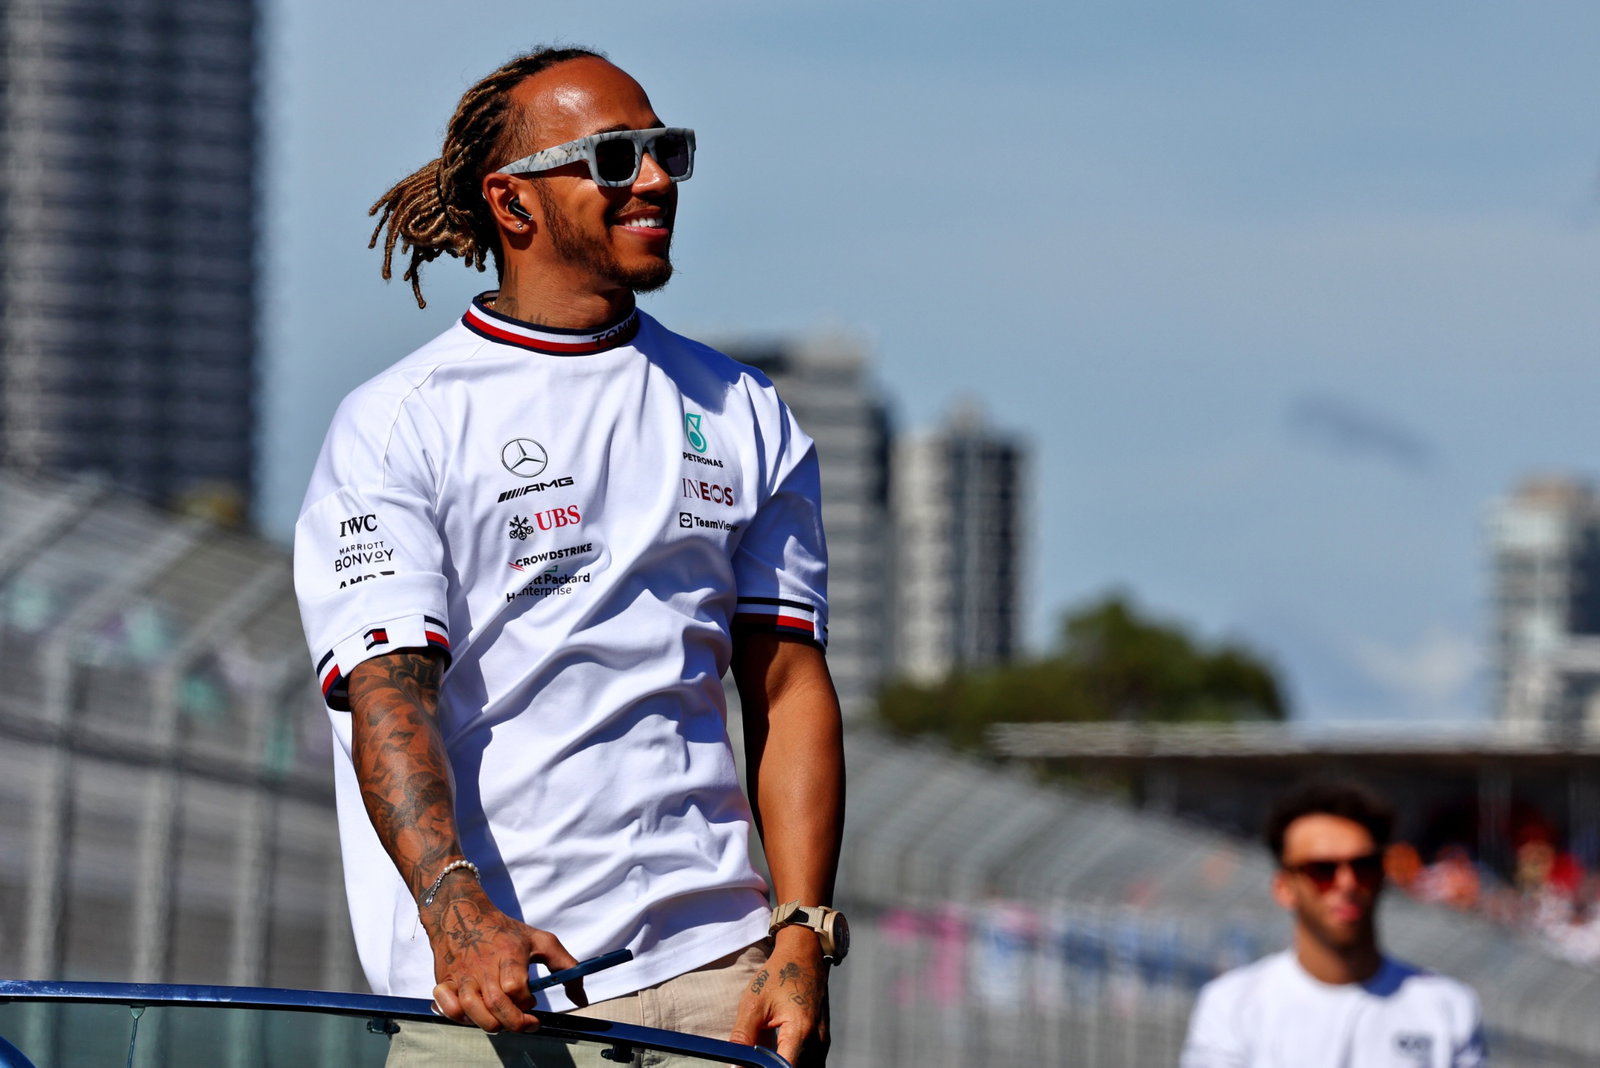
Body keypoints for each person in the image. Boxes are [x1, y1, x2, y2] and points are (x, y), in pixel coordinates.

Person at [292, 46, 845, 1066]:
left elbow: (789, 687)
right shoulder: (398, 422)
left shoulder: (744, 409)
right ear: (513, 202)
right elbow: (387, 695)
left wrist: (802, 931)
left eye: (667, 151)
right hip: (494, 996)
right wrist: (456, 912)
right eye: (615, 158)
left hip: (722, 985)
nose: (655, 180)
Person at [1180, 780, 1486, 1067]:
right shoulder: (1232, 1006)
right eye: (1322, 870)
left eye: (1363, 866)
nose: (1346, 883)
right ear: (1284, 888)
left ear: (1382, 876)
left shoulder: (1448, 1007)